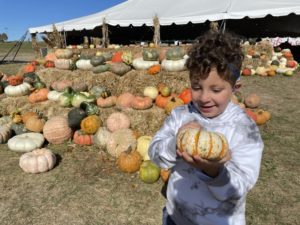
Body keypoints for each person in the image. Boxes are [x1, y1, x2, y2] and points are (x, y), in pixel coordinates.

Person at [148, 31, 264, 225]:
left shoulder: (244, 128)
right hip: (175, 217)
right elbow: (154, 152)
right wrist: (174, 142)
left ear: (235, 88)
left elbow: (239, 188)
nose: (204, 97)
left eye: (216, 90)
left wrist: (214, 171)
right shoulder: (181, 116)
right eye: (196, 87)